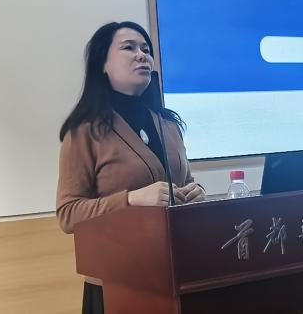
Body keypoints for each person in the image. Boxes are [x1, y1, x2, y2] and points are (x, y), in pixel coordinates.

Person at [56, 21, 205, 314]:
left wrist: (196, 192)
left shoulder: (169, 124)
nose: (142, 55)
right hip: (117, 283)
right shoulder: (85, 131)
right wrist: (131, 199)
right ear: (102, 64)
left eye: (146, 49)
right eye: (129, 48)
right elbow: (68, 214)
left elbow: (185, 180)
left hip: (177, 274)